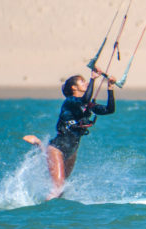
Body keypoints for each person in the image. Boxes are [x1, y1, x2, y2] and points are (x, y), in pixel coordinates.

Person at [23, 67, 116, 199]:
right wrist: (93, 79)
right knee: (58, 189)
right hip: (58, 148)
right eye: (82, 82)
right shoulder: (70, 101)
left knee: (62, 189)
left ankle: (40, 146)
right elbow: (84, 100)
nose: (86, 83)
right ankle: (43, 212)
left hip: (72, 151)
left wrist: (110, 88)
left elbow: (109, 110)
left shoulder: (87, 105)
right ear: (74, 88)